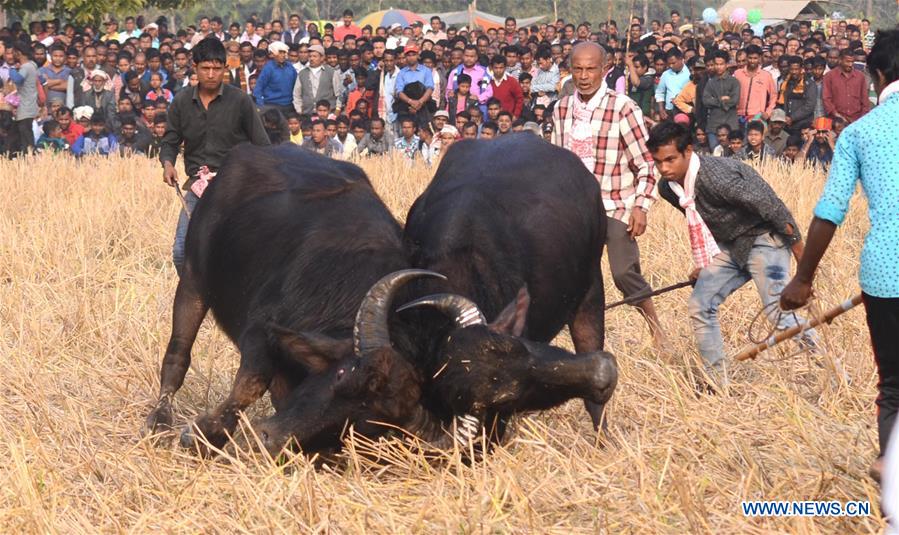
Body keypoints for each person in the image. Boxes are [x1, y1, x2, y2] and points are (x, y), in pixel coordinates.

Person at [780, 29, 899, 483]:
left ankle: (891, 462)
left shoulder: (860, 133)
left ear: (877, 75)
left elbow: (830, 211)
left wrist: (803, 279)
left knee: (893, 386)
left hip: (887, 273)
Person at [648, 121, 816, 389]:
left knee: (779, 313)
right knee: (700, 305)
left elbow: (771, 206)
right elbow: (703, 221)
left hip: (765, 239)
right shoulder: (668, 188)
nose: (664, 168)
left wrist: (803, 261)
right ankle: (717, 383)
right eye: (658, 162)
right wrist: (707, 263)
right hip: (732, 247)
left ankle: (829, 369)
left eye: (670, 160)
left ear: (688, 151)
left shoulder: (716, 177)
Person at [552, 42, 666, 348]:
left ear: (605, 69)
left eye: (591, 69)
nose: (584, 76)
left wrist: (641, 207)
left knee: (623, 272)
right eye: (578, 68)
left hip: (615, 205)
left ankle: (656, 330)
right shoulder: (561, 109)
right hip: (573, 211)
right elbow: (556, 163)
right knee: (564, 274)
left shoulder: (623, 107)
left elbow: (646, 163)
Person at [159, 38, 270, 276]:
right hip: (197, 188)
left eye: (216, 69)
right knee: (181, 252)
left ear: (224, 69)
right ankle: (197, 299)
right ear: (195, 68)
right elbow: (169, 141)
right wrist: (168, 164)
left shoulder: (240, 101)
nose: (211, 74)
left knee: (237, 254)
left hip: (234, 188)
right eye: (205, 68)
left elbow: (262, 146)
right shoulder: (181, 101)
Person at [703, 50, 741, 150]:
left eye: (721, 64)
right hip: (714, 125)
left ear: (727, 65)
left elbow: (735, 100)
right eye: (716, 64)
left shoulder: (734, 82)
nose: (718, 67)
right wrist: (722, 100)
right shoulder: (710, 83)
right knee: (715, 155)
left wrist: (715, 100)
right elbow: (706, 101)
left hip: (731, 124)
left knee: (732, 155)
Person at [292, 44, 343, 115]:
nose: (311, 59)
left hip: (328, 114)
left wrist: (336, 112)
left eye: (315, 56)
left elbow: (339, 94)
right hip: (307, 114)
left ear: (322, 58)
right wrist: (299, 110)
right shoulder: (302, 73)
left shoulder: (331, 72)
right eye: (310, 56)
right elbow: (297, 94)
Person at [8, 41, 39, 155]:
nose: (13, 55)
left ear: (19, 53)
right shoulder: (32, 65)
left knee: (26, 134)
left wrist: (12, 69)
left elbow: (17, 79)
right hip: (30, 104)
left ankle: (30, 155)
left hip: (25, 106)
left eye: (14, 52)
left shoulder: (26, 67)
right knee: (24, 132)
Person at [822, 49, 870, 123]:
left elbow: (864, 100)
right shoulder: (829, 76)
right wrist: (836, 115)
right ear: (840, 60)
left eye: (852, 62)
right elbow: (826, 99)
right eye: (847, 61)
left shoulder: (860, 76)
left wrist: (862, 118)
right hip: (836, 120)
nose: (850, 64)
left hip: (857, 119)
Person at [393, 44, 434, 128]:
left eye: (413, 55)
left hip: (423, 107)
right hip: (406, 107)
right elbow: (399, 91)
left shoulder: (426, 71)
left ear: (418, 55)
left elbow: (430, 88)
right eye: (408, 55)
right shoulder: (401, 73)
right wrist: (411, 102)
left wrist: (420, 102)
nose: (411, 57)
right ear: (405, 57)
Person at [734, 45, 777, 124]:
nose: (752, 61)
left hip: (757, 116)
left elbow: (773, 96)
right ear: (746, 57)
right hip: (738, 115)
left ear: (760, 58)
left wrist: (768, 112)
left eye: (755, 58)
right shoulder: (737, 74)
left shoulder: (766, 75)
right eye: (750, 58)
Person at [253, 41, 297, 116]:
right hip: (272, 105)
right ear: (273, 54)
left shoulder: (290, 67)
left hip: (289, 105)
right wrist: (261, 106)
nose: (283, 55)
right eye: (280, 53)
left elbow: (296, 86)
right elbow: (258, 89)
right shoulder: (268, 68)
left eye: (284, 52)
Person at [778, 55, 817, 135]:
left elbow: (809, 106)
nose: (794, 72)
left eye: (796, 69)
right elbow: (782, 102)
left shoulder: (809, 84)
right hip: (786, 124)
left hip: (803, 125)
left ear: (801, 68)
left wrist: (792, 118)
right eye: (791, 69)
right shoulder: (785, 83)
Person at [655, 48, 690, 121]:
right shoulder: (666, 74)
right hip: (669, 111)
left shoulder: (689, 73)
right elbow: (660, 92)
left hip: (685, 110)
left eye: (673, 63)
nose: (671, 66)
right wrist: (661, 110)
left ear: (681, 59)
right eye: (669, 63)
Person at [489, 54, 523, 119]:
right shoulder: (487, 81)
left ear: (505, 67)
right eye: (496, 68)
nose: (498, 70)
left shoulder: (512, 81)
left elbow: (520, 99)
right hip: (490, 119)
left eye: (501, 68)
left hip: (508, 119)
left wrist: (515, 115)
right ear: (491, 68)